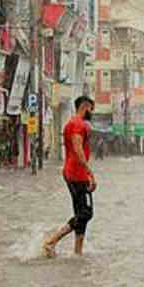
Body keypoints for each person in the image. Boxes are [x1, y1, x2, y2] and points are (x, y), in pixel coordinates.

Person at [43, 96, 96, 258]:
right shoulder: (78, 125)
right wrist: (90, 173)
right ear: (85, 107)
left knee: (81, 213)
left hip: (71, 173)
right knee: (86, 213)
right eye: (91, 110)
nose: (91, 113)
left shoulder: (71, 124)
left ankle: (77, 252)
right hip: (77, 174)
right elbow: (78, 149)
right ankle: (51, 241)